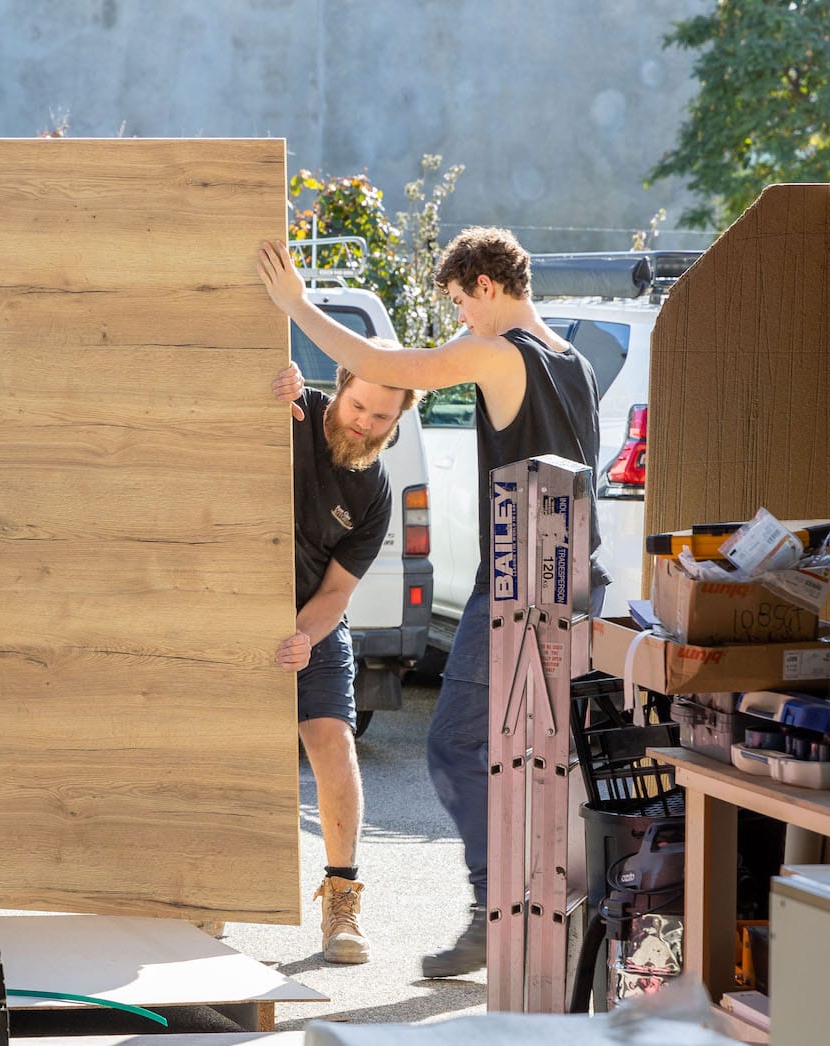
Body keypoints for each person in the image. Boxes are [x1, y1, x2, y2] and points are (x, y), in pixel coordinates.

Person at [258, 227, 608, 978]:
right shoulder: (573, 360)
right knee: (547, 760)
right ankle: (558, 918)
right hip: (579, 575)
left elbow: (387, 364)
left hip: (522, 584)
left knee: (454, 746)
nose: (459, 322)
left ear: (486, 285)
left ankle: (495, 914)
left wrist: (295, 303)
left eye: (457, 301)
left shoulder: (502, 350)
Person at [273, 359, 418, 965]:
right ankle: (213, 893)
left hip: (311, 616)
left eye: (381, 416)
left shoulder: (375, 494)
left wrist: (304, 635)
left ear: (397, 420)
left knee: (333, 740)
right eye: (358, 407)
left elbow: (336, 594)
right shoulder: (292, 410)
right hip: (222, 604)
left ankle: (341, 901)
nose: (364, 423)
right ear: (339, 390)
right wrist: (262, 393)